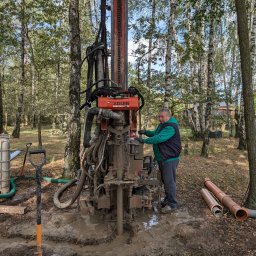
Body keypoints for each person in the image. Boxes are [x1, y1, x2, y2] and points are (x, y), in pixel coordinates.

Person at [135, 108, 181, 213]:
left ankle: (172, 204)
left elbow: (159, 138)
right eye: (159, 116)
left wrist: (143, 140)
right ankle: (167, 199)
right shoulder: (162, 125)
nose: (159, 118)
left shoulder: (171, 127)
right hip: (162, 157)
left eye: (162, 116)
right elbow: (155, 133)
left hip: (169, 158)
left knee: (169, 182)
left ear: (168, 116)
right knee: (165, 180)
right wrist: (145, 132)